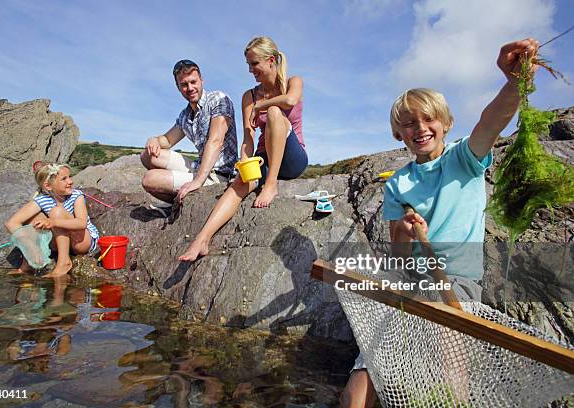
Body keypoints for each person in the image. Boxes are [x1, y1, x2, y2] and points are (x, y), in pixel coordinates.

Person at [340, 38, 540, 408]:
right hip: (407, 287)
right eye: (409, 123)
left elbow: (491, 121)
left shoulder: (463, 159)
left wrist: (514, 82)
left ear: (446, 123)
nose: (420, 128)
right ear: (399, 133)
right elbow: (399, 257)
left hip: (456, 285)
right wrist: (402, 229)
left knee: (451, 373)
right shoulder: (397, 183)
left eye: (428, 119)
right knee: (359, 387)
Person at [179, 36, 308, 261]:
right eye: (248, 64)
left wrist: (262, 105)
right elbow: (248, 138)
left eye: (254, 63)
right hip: (264, 157)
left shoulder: (293, 82)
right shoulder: (248, 95)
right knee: (240, 183)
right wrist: (244, 164)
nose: (250, 70)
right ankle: (202, 240)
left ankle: (271, 185)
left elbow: (289, 101)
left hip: (293, 158)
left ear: (270, 60)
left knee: (275, 113)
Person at [141, 59, 238, 204]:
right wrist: (153, 139)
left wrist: (198, 181)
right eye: (184, 85)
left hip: (219, 174)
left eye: (194, 82)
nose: (190, 88)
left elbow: (216, 141)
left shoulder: (219, 99)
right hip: (199, 167)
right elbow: (167, 140)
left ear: (202, 80)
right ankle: (178, 203)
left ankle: (182, 204)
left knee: (149, 179)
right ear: (178, 87)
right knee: (147, 156)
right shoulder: (185, 115)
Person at [5, 162, 100, 278]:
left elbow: (81, 223)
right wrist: (31, 248)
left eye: (70, 177)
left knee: (56, 212)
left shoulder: (76, 196)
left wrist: (53, 222)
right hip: (60, 243)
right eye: (64, 179)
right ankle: (30, 261)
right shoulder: (42, 200)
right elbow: (12, 223)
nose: (70, 181)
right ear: (48, 186)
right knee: (33, 218)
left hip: (82, 242)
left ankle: (64, 262)